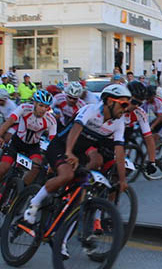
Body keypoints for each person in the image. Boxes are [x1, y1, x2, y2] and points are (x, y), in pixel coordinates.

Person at [20, 83, 133, 226]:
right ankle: (34, 204)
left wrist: (122, 179)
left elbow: (119, 151)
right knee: (66, 175)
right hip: (61, 146)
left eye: (128, 105)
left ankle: (62, 230)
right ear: (110, 101)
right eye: (123, 104)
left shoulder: (118, 123)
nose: (126, 109)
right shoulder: (91, 110)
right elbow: (76, 128)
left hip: (79, 152)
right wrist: (68, 152)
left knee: (83, 189)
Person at [0, 90, 58, 212]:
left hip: (33, 146)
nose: (43, 109)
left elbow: (53, 143)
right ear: (35, 104)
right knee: (3, 168)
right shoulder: (24, 108)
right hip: (16, 143)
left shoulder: (51, 120)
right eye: (41, 105)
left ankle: (20, 195)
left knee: (36, 167)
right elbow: (9, 121)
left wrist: (52, 163)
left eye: (46, 107)